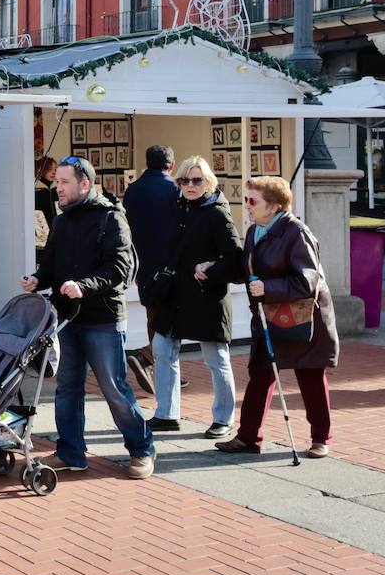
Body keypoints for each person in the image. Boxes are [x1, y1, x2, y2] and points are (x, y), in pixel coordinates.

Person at [21, 156, 155, 479]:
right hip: (68, 319)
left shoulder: (111, 218)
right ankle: (71, 451)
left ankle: (142, 449)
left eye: (64, 183)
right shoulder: (62, 220)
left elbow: (119, 270)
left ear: (85, 184)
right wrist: (39, 278)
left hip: (103, 318)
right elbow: (51, 263)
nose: (58, 189)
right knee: (66, 387)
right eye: (57, 183)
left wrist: (84, 286)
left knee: (112, 386)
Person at [217, 176, 338, 459]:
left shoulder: (296, 233)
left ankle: (321, 438)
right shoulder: (255, 230)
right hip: (268, 316)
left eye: (252, 201)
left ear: (273, 206)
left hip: (303, 320)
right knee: (260, 374)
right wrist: (214, 269)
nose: (246, 205)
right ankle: (248, 437)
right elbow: (247, 270)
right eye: (246, 199)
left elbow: (308, 280)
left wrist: (268, 287)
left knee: (310, 377)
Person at [147, 156, 241, 439]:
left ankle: (224, 418)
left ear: (208, 182)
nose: (190, 185)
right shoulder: (177, 210)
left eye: (196, 180)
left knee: (216, 358)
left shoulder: (217, 213)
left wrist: (212, 268)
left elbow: (235, 258)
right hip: (174, 295)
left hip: (205, 296)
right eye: (184, 180)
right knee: (163, 351)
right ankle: (167, 413)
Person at [121, 144, 178, 394]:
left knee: (153, 315)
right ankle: (148, 357)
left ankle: (159, 365)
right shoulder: (173, 189)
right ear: (171, 165)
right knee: (168, 318)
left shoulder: (133, 190)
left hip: (141, 262)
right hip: (168, 264)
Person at [33, 156, 57, 237]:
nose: (54, 172)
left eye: (55, 170)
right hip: (43, 236)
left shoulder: (52, 190)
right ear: (42, 170)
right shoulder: (40, 191)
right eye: (50, 169)